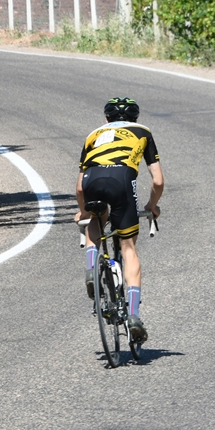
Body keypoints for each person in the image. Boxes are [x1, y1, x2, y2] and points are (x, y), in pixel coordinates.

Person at [76, 97, 163, 343]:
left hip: (92, 181)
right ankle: (133, 314)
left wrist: (82, 212)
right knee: (128, 247)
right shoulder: (143, 132)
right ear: (135, 118)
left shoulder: (93, 135)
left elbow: (80, 187)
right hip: (122, 182)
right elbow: (157, 180)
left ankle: (92, 268)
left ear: (106, 120)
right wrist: (152, 206)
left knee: (95, 220)